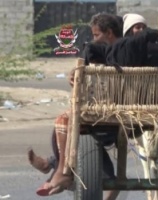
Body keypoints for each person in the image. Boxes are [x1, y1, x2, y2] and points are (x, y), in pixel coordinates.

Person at [28, 13, 124, 200]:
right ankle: (53, 167)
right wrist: (75, 73)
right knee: (74, 128)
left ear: (109, 32)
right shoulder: (111, 50)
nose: (94, 39)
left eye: (96, 35)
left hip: (111, 113)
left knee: (64, 120)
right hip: (104, 108)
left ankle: (59, 171)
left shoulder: (115, 51)